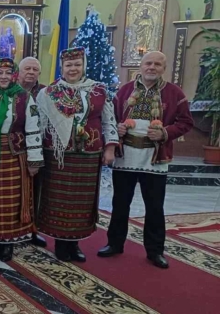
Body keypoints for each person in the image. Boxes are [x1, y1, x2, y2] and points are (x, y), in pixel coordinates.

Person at [100, 52, 194, 269]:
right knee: (120, 203)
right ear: (141, 66)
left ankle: (155, 251)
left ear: (164, 68)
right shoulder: (124, 91)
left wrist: (165, 132)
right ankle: (114, 244)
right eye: (148, 63)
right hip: (126, 156)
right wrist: (118, 128)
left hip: (155, 158)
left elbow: (186, 122)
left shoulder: (174, 93)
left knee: (154, 206)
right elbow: (111, 118)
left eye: (157, 64)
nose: (152, 67)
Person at [36, 47, 118, 262]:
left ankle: (75, 243)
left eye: (77, 65)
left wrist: (110, 147)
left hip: (88, 155)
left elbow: (109, 121)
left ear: (84, 66)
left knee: (81, 202)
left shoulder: (99, 90)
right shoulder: (48, 92)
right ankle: (61, 243)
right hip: (57, 155)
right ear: (62, 67)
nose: (73, 69)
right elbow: (39, 124)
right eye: (68, 65)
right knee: (58, 200)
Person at [0, 58, 43, 262]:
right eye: (0, 73)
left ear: (14, 75)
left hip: (14, 155)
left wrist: (34, 161)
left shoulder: (24, 97)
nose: (4, 77)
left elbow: (33, 128)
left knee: (11, 200)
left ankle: (8, 244)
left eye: (8, 73)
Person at [18, 56, 48, 248]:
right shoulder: (10, 90)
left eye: (35, 69)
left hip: (39, 149)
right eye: (27, 69)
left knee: (36, 190)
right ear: (19, 72)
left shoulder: (46, 93)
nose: (31, 72)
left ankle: (33, 230)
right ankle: (13, 229)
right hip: (14, 150)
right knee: (15, 191)